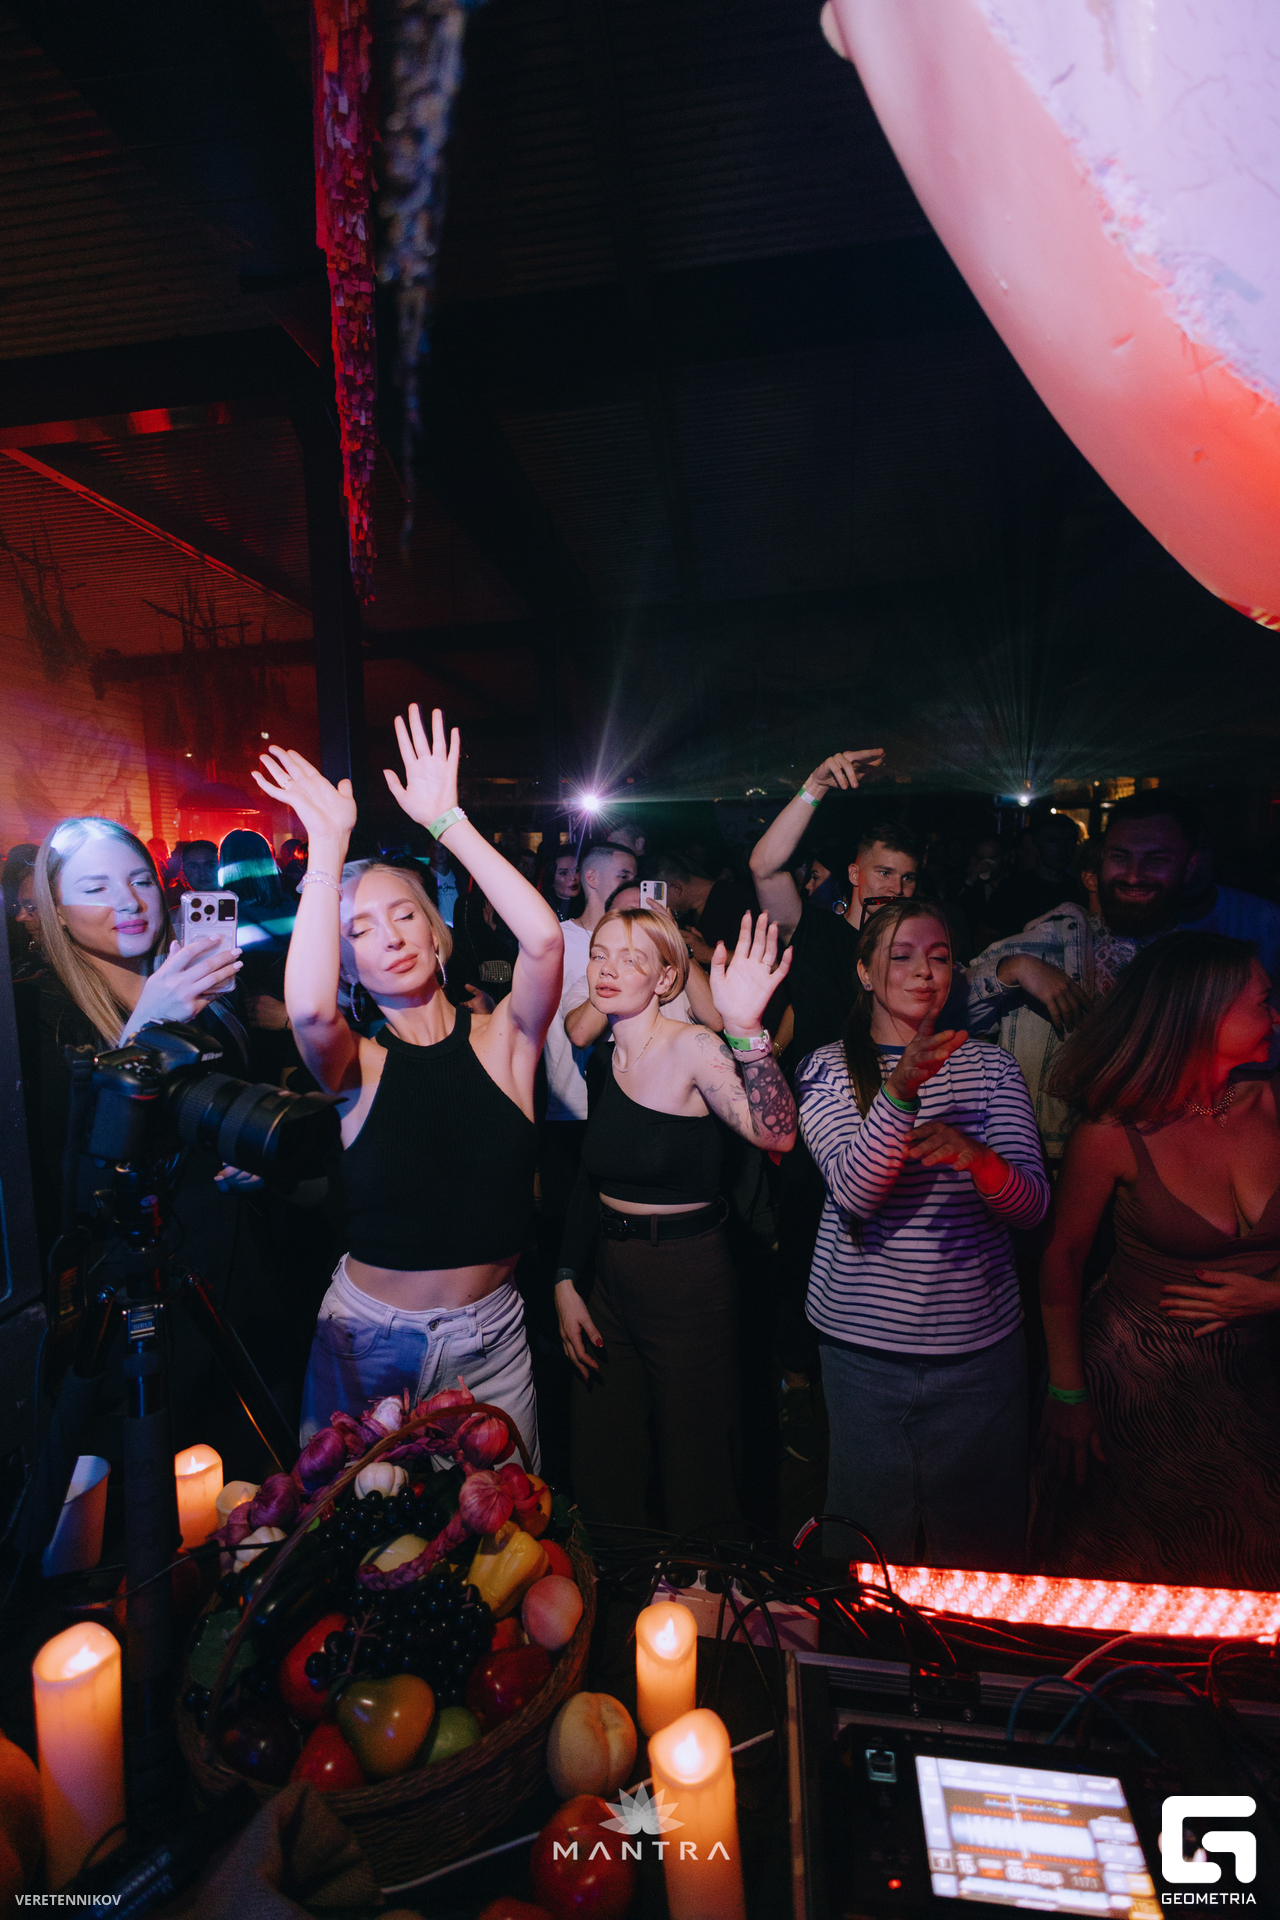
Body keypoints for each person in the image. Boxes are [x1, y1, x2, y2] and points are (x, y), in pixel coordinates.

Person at [251, 706, 563, 1466]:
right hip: (367, 1345)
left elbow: (544, 939)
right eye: (359, 930)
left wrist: (449, 822)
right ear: (346, 961)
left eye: (404, 915)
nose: (389, 936)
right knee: (350, 1534)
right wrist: (328, 849)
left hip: (493, 1345)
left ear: (436, 931)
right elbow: (307, 1009)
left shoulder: (506, 1040)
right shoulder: (352, 1063)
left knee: (507, 1537)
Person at [18, 818, 300, 1471]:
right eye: (96, 887)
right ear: (56, 909)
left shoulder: (204, 986)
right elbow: (70, 1176)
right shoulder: (42, 1017)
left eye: (141, 880)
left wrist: (250, 1157)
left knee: (269, 1479)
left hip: (237, 1272)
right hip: (134, 1295)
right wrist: (147, 1026)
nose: (129, 901)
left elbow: (230, 1104)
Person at [797, 898, 1049, 1567]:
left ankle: (964, 1642)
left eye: (939, 957)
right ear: (864, 971)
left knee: (978, 1551)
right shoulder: (826, 1068)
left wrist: (982, 1160)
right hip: (864, 1354)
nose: (924, 971)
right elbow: (857, 1193)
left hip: (978, 1354)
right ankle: (862, 1641)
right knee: (867, 1544)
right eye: (902, 956)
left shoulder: (991, 1069)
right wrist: (902, 1089)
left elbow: (1031, 1209)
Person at [1033, 933, 1280, 1587]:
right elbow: (1062, 1259)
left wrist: (1272, 1295)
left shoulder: (1272, 1103)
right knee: (1139, 1579)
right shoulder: (1114, 1131)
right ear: (1205, 1012)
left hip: (1258, 1378)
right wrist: (1067, 1392)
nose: (1276, 1016)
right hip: (1141, 1381)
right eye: (1263, 1002)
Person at [554, 907, 796, 1536]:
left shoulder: (694, 1047)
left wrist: (746, 1029)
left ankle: (702, 1589)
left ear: (665, 979)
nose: (607, 969)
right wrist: (566, 1279)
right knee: (604, 1459)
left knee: (698, 1466)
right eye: (599, 954)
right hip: (610, 1278)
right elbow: (590, 1177)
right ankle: (615, 1586)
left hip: (687, 1281)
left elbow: (777, 1134)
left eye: (631, 958)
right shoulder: (605, 1058)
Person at [965, 791, 1279, 1165]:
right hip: (1043, 1170)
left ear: (1189, 866)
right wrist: (1012, 969)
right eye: (1120, 857)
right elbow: (949, 1016)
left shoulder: (1205, 971)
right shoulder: (1041, 947)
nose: (1133, 875)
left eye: (1156, 859)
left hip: (1159, 1173)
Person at [563, 880, 724, 1045]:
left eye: (644, 914)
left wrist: (673, 942)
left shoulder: (675, 979)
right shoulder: (591, 983)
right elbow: (580, 1036)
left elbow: (715, 1021)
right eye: (626, 915)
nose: (634, 922)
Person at [642, 850, 757, 968]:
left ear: (676, 888)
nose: (662, 907)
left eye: (659, 900)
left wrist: (708, 953)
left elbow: (764, 959)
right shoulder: (688, 915)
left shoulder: (736, 898)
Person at [984, 814, 1086, 938]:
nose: (1063, 849)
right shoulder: (1012, 888)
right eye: (1053, 841)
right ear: (1037, 845)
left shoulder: (1079, 890)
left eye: (1069, 841)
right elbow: (986, 936)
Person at [541, 848, 585, 924]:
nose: (572, 878)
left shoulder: (590, 904)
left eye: (576, 870)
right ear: (551, 879)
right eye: (563, 873)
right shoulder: (544, 910)